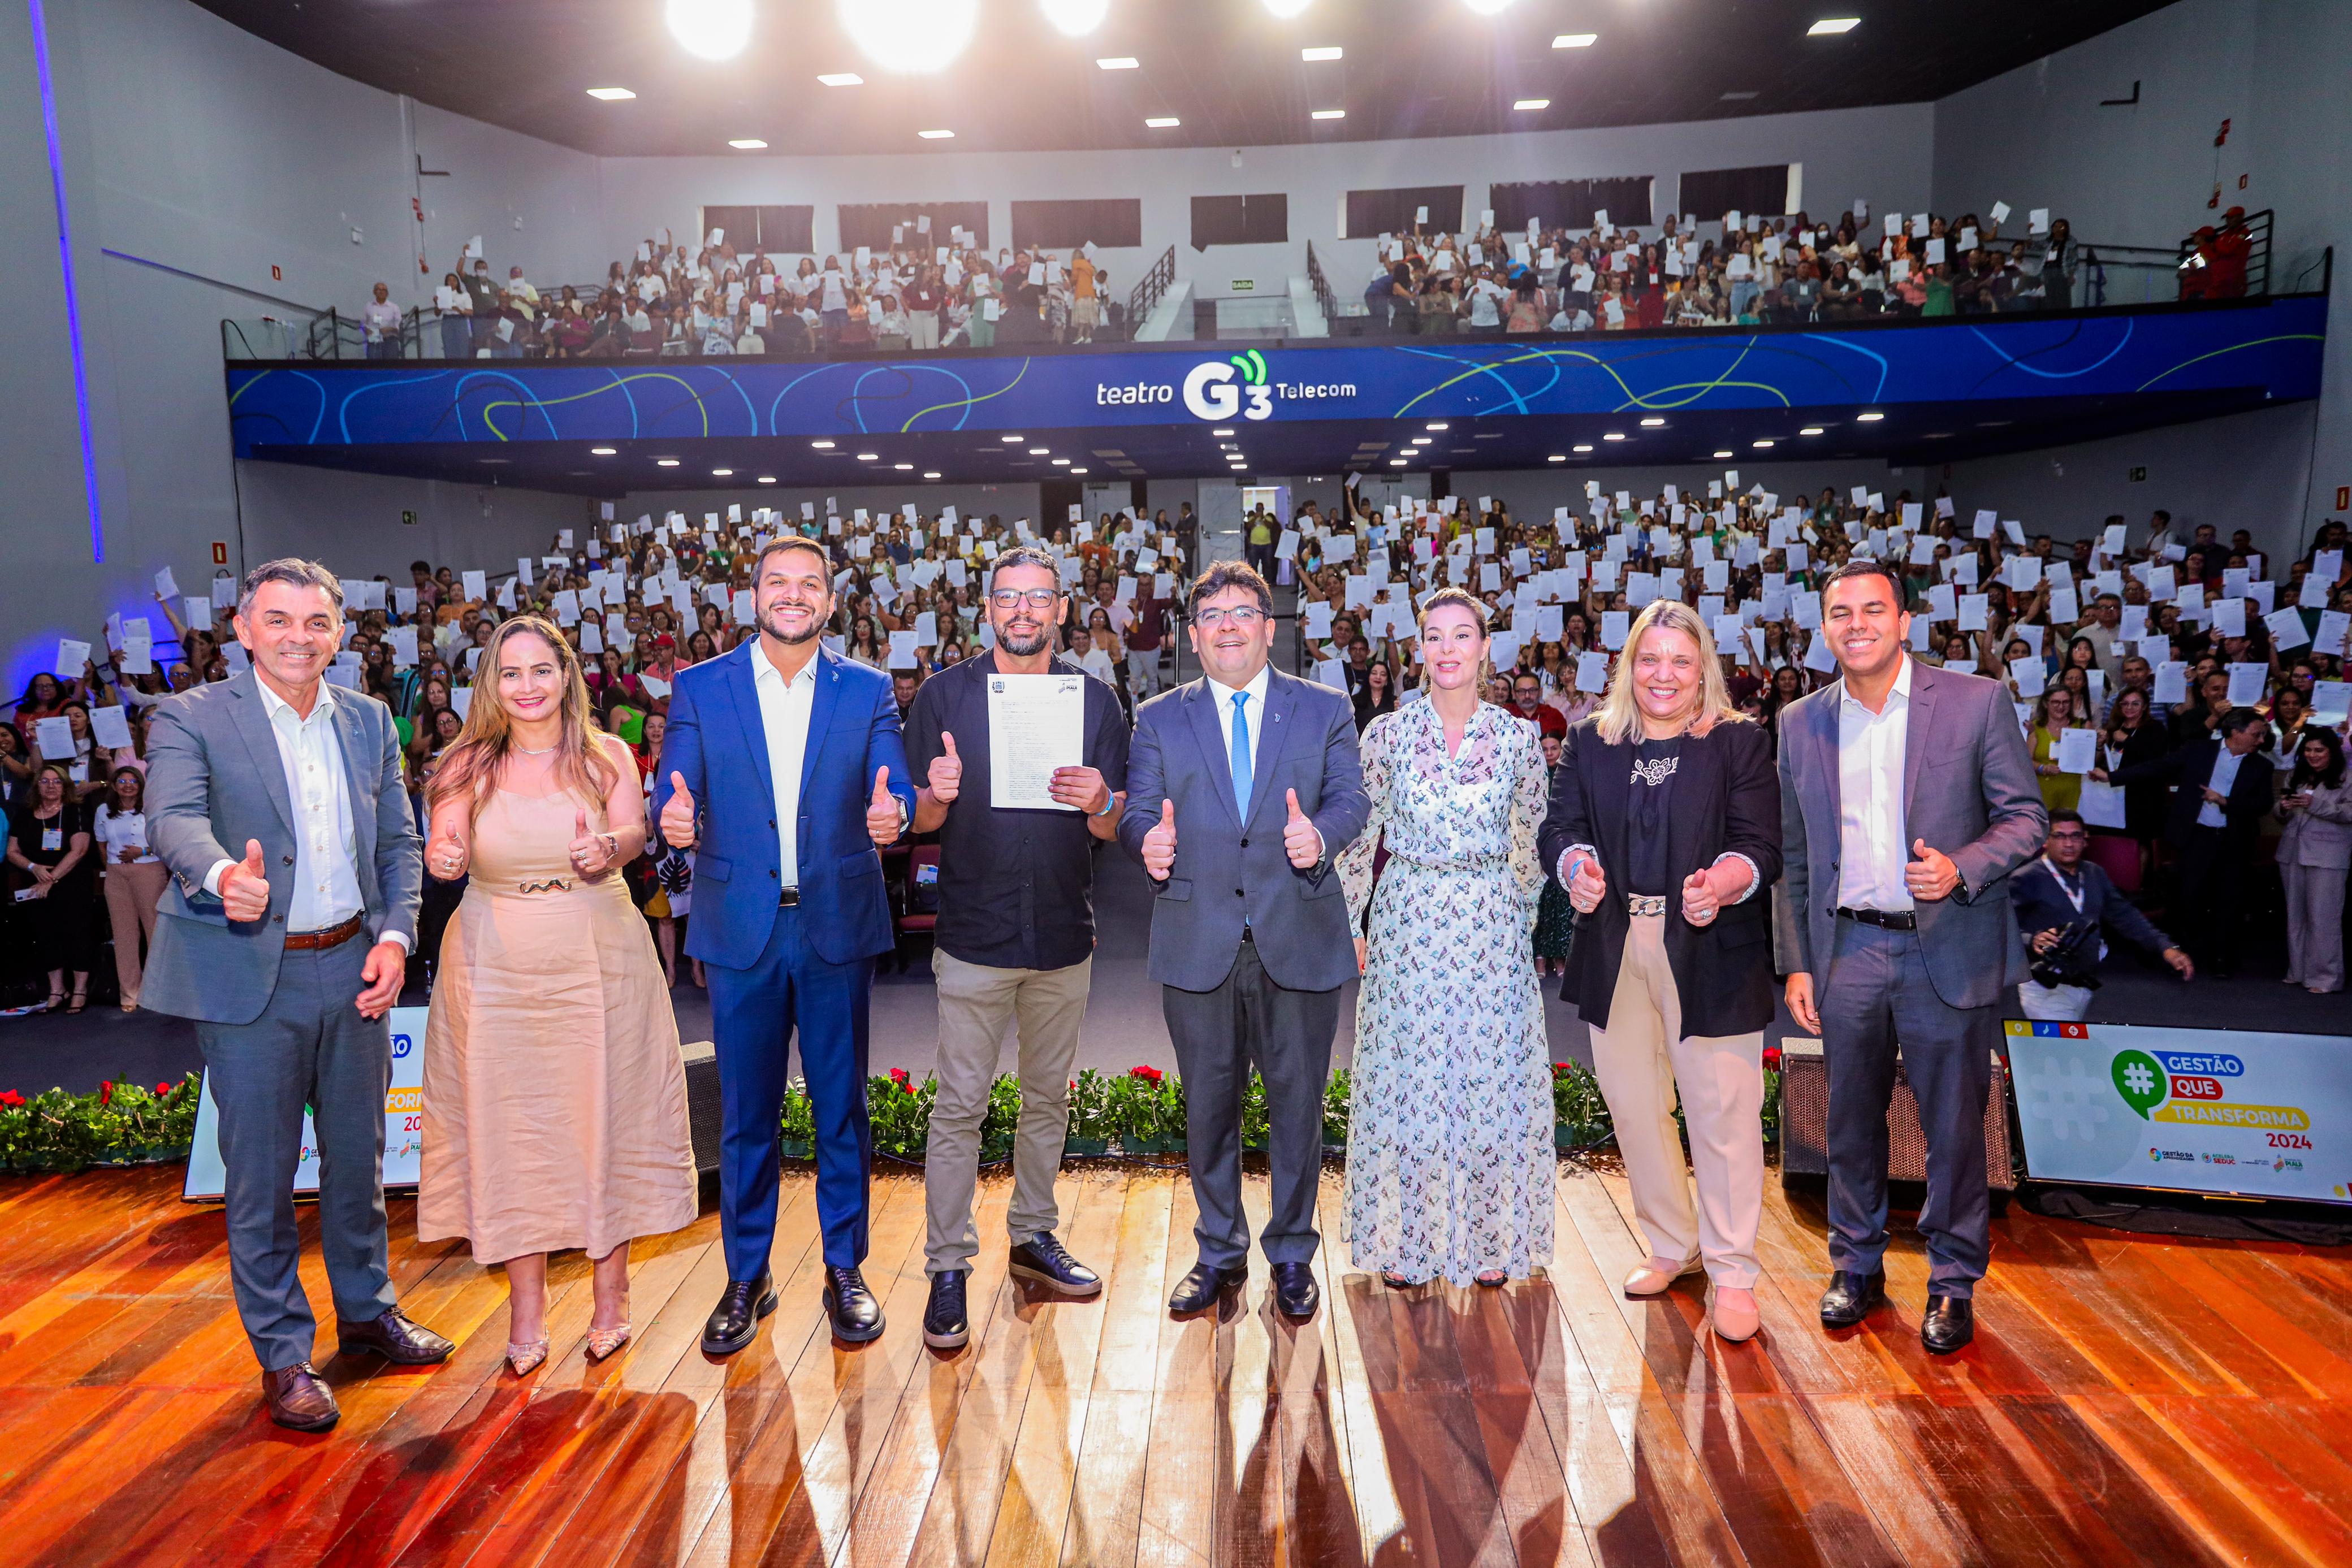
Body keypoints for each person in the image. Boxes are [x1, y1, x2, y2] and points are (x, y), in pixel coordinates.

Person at [142, 559, 449, 1432]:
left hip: (353, 964)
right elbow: (172, 818)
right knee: (262, 1180)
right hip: (247, 976)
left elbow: (397, 839)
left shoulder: (369, 719)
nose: (297, 637)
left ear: (339, 632)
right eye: (277, 620)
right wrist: (215, 874)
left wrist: (394, 937)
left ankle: (366, 1314)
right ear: (244, 629)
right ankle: (283, 1354)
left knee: (359, 1161)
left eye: (315, 622)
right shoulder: (191, 715)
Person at [1778, 559, 2044, 1355]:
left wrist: (1962, 864)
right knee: (1848, 1119)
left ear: (1903, 621)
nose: (1856, 623)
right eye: (1840, 612)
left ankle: (1953, 1280)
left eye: (1872, 609)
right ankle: (1855, 1265)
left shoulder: (1975, 702)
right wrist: (1796, 961)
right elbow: (1795, 856)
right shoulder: (1799, 721)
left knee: (1955, 1126)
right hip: (1846, 946)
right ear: (1824, 627)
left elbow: (2027, 818)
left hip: (1947, 949)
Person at [654, 538, 915, 1350]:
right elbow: (678, 786)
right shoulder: (700, 687)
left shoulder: (868, 689)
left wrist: (893, 814)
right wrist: (674, 816)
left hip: (835, 923)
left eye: (810, 585)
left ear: (831, 601)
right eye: (778, 582)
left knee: (843, 1108)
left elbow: (893, 784)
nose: (793, 595)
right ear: (753, 594)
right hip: (742, 931)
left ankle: (846, 1270)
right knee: (745, 1118)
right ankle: (747, 1276)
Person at [417, 617, 697, 1374]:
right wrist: (444, 858)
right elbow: (446, 847)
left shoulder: (605, 752)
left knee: (606, 1118)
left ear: (567, 675)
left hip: (597, 950)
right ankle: (527, 1312)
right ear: (490, 682)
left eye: (543, 670)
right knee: (512, 1132)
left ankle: (612, 1300)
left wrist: (609, 847)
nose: (528, 687)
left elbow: (635, 832)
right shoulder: (463, 762)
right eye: (512, 673)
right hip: (493, 959)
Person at [1119, 561, 1369, 1319]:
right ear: (1194, 636)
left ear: (1270, 626)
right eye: (1213, 614)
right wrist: (1146, 845)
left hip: (1299, 931)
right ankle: (1219, 1251)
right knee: (1209, 1106)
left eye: (1243, 611)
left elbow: (1352, 797)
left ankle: (1292, 1252)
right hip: (1199, 939)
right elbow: (1138, 815)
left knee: (1298, 1106)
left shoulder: (1323, 708)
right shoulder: (1159, 716)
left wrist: (1318, 836)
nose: (1229, 624)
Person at [903, 546, 1131, 1349]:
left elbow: (1111, 825)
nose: (1024, 611)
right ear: (988, 608)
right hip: (974, 933)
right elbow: (921, 823)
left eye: (1039, 598)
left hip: (1064, 933)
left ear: (1063, 608)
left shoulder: (1095, 700)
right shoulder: (942, 696)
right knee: (959, 1106)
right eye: (1010, 598)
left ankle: (1033, 1236)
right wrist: (937, 792)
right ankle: (948, 1266)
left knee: (1047, 1101)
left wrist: (1103, 799)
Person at [1538, 600, 1782, 1342]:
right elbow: (1561, 826)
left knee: (1723, 1113)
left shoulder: (1737, 742)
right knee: (1638, 1109)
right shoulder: (1593, 740)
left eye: (1680, 659)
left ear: (1701, 665)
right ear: (1629, 666)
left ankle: (1734, 1269)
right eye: (1651, 659)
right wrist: (1574, 866)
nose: (1664, 674)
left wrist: (1727, 880)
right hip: (1616, 944)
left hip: (1709, 946)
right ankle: (1675, 1245)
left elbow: (1762, 846)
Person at [1337, 588, 1551, 1289]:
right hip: (1408, 920)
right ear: (1419, 648)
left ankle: (1490, 1237)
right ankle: (1409, 1240)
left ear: (1486, 647)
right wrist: (1353, 923)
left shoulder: (1519, 739)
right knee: (1410, 1080)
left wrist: (1515, 924)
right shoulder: (1386, 736)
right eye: (1435, 636)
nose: (1449, 649)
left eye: (1463, 635)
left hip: (1489, 922)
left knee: (1491, 1082)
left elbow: (1530, 842)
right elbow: (1359, 839)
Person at [2099, 708, 2273, 978]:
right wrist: (2112, 777)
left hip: (2234, 841)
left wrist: (2226, 802)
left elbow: (2263, 805)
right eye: (2256, 734)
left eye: (2263, 735)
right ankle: (2184, 955)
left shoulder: (2262, 766)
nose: (2261, 740)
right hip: (2198, 837)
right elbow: (2157, 767)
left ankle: (2221, 959)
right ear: (2236, 732)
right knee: (2189, 897)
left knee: (2229, 900)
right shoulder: (2199, 750)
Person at [2009, 810, 2193, 1021]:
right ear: (2045, 841)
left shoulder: (2094, 874)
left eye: (2075, 836)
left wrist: (2166, 947)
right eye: (2060, 836)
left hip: (2083, 983)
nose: (2069, 844)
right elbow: (2001, 928)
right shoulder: (2026, 878)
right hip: (2043, 986)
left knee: (2062, 1051)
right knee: (2063, 1047)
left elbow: (2126, 916)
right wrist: (2032, 939)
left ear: (2086, 840)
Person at [5, 762, 98, 1012]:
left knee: (77, 935)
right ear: (36, 785)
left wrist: (51, 879)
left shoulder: (75, 811)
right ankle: (58, 990)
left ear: (65, 785)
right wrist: (34, 868)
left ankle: (79, 989)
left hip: (70, 882)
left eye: (57, 781)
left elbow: (79, 851)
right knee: (46, 936)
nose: (51, 786)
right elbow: (12, 851)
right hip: (35, 882)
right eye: (45, 781)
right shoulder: (25, 814)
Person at [2275, 726, 2350, 993]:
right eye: (2308, 750)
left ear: (2332, 751)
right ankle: (2299, 971)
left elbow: (2349, 813)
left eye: (2319, 750)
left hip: (2328, 856)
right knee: (2296, 918)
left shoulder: (2348, 778)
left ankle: (2326, 978)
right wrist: (2282, 808)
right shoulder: (2296, 775)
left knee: (2324, 918)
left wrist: (2314, 805)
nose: (2313, 755)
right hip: (2292, 852)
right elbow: (2279, 812)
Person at [93, 763, 166, 1012]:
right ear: (114, 786)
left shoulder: (152, 808)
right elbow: (101, 844)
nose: (128, 786)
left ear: (141, 785)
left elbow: (166, 842)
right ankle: (130, 994)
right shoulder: (104, 811)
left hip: (150, 869)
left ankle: (161, 993)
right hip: (116, 875)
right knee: (124, 936)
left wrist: (141, 851)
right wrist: (112, 867)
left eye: (133, 781)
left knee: (155, 931)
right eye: (122, 782)